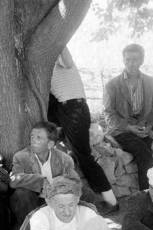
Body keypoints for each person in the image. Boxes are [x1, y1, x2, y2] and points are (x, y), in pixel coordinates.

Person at [48, 48, 118, 212]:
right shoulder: (47, 62)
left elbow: (68, 60)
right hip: (65, 110)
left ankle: (112, 202)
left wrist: (61, 42)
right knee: (74, 156)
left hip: (74, 109)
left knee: (85, 158)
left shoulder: (60, 51)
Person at [104, 43, 153, 190]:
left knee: (145, 155)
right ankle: (149, 194)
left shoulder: (149, 82)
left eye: (135, 59)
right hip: (122, 130)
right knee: (144, 154)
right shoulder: (112, 85)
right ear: (123, 60)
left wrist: (150, 126)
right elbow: (109, 114)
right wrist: (129, 127)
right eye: (127, 59)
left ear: (142, 60)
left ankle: (148, 194)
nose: (131, 63)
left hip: (143, 128)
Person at [10, 121, 78, 226]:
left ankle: (80, 227)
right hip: (34, 203)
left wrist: (59, 184)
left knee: (86, 193)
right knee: (22, 194)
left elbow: (74, 181)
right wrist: (41, 181)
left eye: (38, 138)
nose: (33, 140)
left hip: (58, 201)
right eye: (32, 137)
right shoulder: (21, 157)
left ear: (50, 144)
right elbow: (14, 179)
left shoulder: (65, 159)